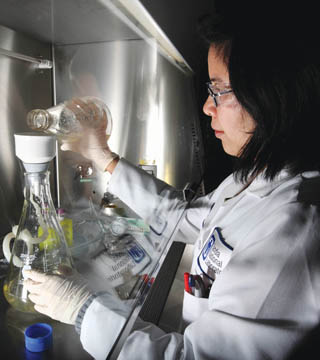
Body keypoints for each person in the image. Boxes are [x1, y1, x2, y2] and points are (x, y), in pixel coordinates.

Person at [25, 1, 320, 359]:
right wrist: (102, 155)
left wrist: (84, 309)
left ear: (270, 93)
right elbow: (180, 216)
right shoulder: (256, 177)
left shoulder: (293, 230)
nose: (207, 107)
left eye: (219, 91)